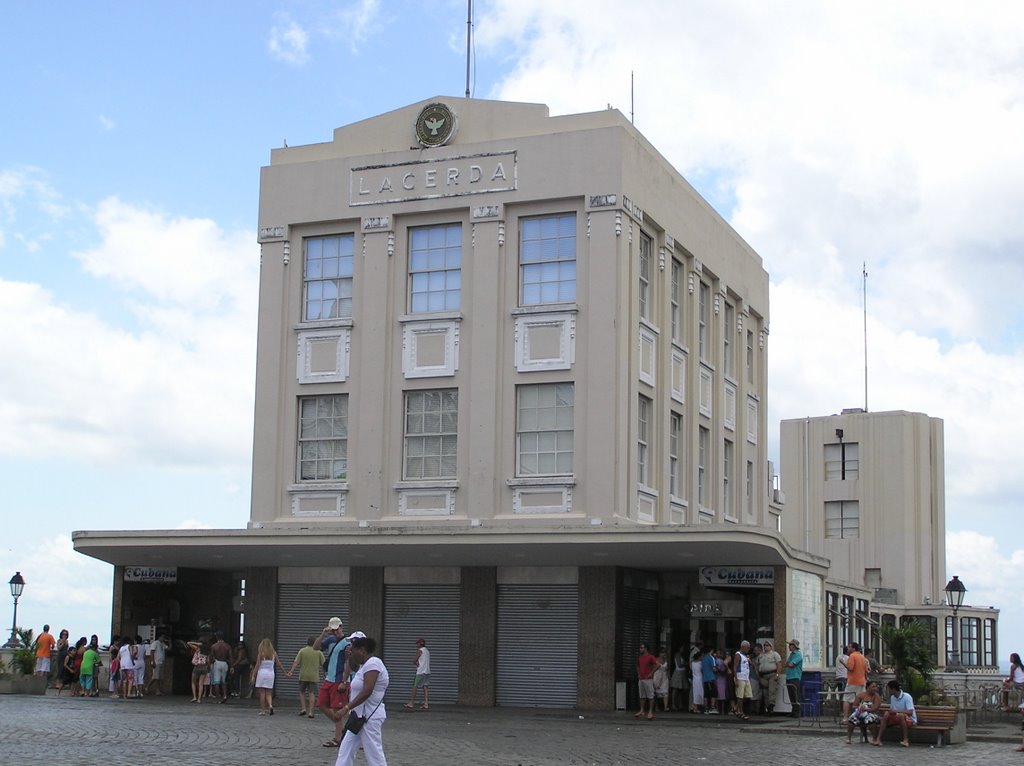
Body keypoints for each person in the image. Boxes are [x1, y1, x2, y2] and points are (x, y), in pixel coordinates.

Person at [334, 635, 390, 766]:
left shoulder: (374, 663)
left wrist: (346, 708)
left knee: (374, 753)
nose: (352, 653)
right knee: (345, 750)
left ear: (362, 650)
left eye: (353, 650)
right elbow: (353, 667)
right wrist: (350, 657)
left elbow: (367, 690)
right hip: (358, 717)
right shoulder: (364, 666)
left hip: (369, 717)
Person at [316, 618, 353, 748]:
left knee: (337, 709)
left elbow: (349, 662)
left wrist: (344, 681)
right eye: (333, 629)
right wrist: (323, 634)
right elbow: (316, 648)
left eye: (337, 629)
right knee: (321, 704)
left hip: (339, 680)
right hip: (329, 679)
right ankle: (342, 729)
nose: (335, 631)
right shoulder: (330, 640)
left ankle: (338, 738)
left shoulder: (347, 643)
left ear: (341, 627)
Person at [288, 635, 325, 717]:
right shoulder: (318, 652)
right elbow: (324, 664)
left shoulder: (302, 651)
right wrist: (325, 673)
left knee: (302, 692)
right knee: (312, 693)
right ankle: (311, 712)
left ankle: (303, 708)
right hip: (314, 676)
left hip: (303, 675)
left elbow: (296, 662)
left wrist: (291, 671)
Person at [872, 679, 916, 747]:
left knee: (901, 715)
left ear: (893, 689)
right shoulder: (892, 697)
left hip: (908, 719)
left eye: (889, 689)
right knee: (886, 714)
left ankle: (905, 740)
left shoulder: (907, 697)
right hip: (896, 718)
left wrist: (896, 711)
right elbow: (892, 710)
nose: (888, 691)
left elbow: (910, 712)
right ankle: (878, 739)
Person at [252, 637, 284, 716]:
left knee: (262, 693)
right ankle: (270, 705)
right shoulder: (274, 653)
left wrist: (253, 675)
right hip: (270, 674)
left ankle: (262, 710)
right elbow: (279, 664)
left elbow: (257, 665)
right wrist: (285, 672)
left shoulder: (261, 653)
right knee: (269, 693)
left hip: (262, 673)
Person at [846, 680, 883, 744]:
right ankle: (849, 738)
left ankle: (874, 739)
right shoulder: (860, 695)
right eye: (873, 687)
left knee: (870, 719)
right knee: (851, 719)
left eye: (876, 687)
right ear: (867, 687)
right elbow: (854, 706)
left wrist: (867, 709)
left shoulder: (876, 697)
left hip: (872, 713)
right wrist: (859, 708)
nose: (875, 688)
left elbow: (875, 708)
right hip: (860, 712)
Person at [843, 641, 869, 720]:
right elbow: (866, 671)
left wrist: (843, 663)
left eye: (850, 647)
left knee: (847, 699)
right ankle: (858, 716)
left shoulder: (852, 656)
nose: (848, 648)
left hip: (853, 681)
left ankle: (845, 717)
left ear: (854, 648)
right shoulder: (863, 657)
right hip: (862, 681)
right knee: (859, 700)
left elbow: (850, 668)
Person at [634, 642, 659, 720]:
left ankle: (650, 711)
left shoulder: (650, 657)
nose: (640, 649)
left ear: (646, 649)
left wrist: (651, 673)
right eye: (640, 648)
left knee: (650, 696)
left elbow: (657, 665)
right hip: (641, 679)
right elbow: (637, 665)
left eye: (642, 648)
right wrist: (638, 674)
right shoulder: (640, 658)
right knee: (642, 696)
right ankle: (642, 710)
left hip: (648, 679)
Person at [404, 638, 431, 710]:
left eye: (417, 643)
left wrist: (417, 664)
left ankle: (411, 703)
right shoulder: (427, 651)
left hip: (420, 672)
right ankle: (426, 704)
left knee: (414, 686)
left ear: (420, 644)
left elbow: (414, 660)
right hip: (427, 671)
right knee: (425, 687)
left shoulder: (420, 651)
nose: (417, 645)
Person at [757, 640, 782, 715]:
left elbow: (779, 664)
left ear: (771, 647)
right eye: (764, 645)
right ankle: (767, 707)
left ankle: (771, 708)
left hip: (772, 674)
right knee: (765, 693)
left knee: (772, 691)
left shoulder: (775, 654)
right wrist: (758, 675)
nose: (765, 646)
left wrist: (777, 674)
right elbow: (757, 665)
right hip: (763, 675)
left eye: (767, 645)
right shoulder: (761, 655)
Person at [210, 631, 232, 704]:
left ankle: (218, 698)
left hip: (217, 662)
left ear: (217, 637)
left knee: (216, 681)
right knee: (224, 681)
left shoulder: (214, 646)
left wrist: (212, 662)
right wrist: (231, 666)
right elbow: (230, 657)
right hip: (225, 663)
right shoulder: (228, 646)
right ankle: (225, 695)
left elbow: (212, 656)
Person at [731, 641, 752, 719]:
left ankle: (736, 707)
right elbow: (735, 667)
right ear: (743, 647)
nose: (749, 649)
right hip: (740, 677)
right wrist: (736, 679)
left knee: (747, 695)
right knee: (740, 696)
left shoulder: (746, 656)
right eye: (748, 647)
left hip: (746, 677)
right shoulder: (738, 655)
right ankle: (741, 712)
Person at [187, 639, 210, 704]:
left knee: (193, 682)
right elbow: (208, 661)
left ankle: (194, 697)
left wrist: (197, 643)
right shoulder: (207, 651)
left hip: (197, 667)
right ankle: (199, 699)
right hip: (204, 667)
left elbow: (188, 643)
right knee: (201, 684)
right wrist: (208, 668)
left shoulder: (197, 649)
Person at [785, 639, 803, 717]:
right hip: (789, 676)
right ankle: (793, 710)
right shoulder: (791, 655)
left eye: (790, 645)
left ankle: (798, 711)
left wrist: (789, 663)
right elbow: (787, 663)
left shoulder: (798, 654)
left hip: (795, 677)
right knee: (791, 695)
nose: (789, 646)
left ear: (794, 646)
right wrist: (788, 663)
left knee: (795, 695)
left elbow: (791, 664)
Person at [670, 646, 689, 711]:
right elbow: (679, 664)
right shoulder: (677, 654)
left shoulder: (681, 655)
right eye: (682, 648)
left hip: (682, 673)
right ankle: (673, 704)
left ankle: (680, 704)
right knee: (675, 689)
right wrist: (686, 663)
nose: (683, 649)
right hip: (678, 673)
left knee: (681, 690)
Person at [701, 646, 719, 714]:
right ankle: (712, 707)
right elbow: (714, 668)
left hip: (705, 678)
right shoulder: (711, 658)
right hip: (711, 678)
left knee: (706, 694)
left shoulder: (703, 658)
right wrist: (718, 670)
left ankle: (706, 708)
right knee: (713, 694)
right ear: (711, 651)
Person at [54, 629, 71, 694]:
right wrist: (63, 643)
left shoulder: (67, 641)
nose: (65, 635)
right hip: (60, 656)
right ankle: (57, 683)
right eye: (63, 634)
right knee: (59, 669)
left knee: (64, 670)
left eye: (66, 634)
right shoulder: (59, 641)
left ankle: (62, 683)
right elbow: (59, 648)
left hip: (65, 656)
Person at [689, 648, 704, 713]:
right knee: (699, 693)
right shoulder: (700, 663)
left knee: (695, 693)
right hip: (699, 679)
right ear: (699, 657)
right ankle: (695, 707)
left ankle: (694, 706)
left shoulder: (692, 663)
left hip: (694, 679)